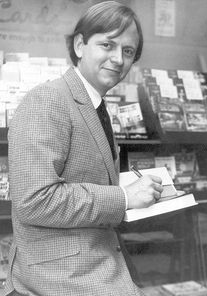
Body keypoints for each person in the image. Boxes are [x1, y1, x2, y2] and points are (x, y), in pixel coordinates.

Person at [5, 1, 163, 295]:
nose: (118, 59)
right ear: (80, 45)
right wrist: (125, 196)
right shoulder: (47, 100)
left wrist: (133, 188)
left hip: (99, 260)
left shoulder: (96, 105)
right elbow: (34, 200)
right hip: (62, 276)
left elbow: (83, 177)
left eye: (128, 51)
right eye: (107, 44)